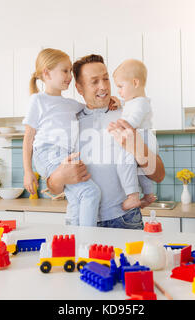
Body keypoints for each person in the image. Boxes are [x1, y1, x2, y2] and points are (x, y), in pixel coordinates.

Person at [46, 54, 165, 229]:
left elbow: (159, 174)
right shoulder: (68, 122)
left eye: (106, 79)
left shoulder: (129, 115)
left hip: (124, 219)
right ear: (79, 87)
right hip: (79, 219)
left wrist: (137, 148)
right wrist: (59, 177)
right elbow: (53, 188)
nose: (103, 87)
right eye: (94, 82)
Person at [22, 48, 118, 227]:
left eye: (69, 71)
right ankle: (88, 237)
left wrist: (112, 100)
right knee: (91, 193)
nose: (69, 76)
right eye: (64, 71)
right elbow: (28, 138)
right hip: (48, 153)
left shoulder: (71, 104)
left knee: (77, 198)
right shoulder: (38, 100)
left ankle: (75, 237)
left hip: (65, 155)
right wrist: (28, 172)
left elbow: (94, 104)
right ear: (47, 73)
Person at [112, 59, 156, 209]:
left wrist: (119, 126)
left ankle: (132, 196)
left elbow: (133, 121)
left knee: (124, 164)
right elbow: (129, 107)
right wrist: (120, 104)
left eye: (121, 86)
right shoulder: (135, 101)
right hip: (143, 137)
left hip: (140, 137)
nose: (119, 91)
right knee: (140, 170)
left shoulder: (141, 103)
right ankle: (149, 194)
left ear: (135, 83)